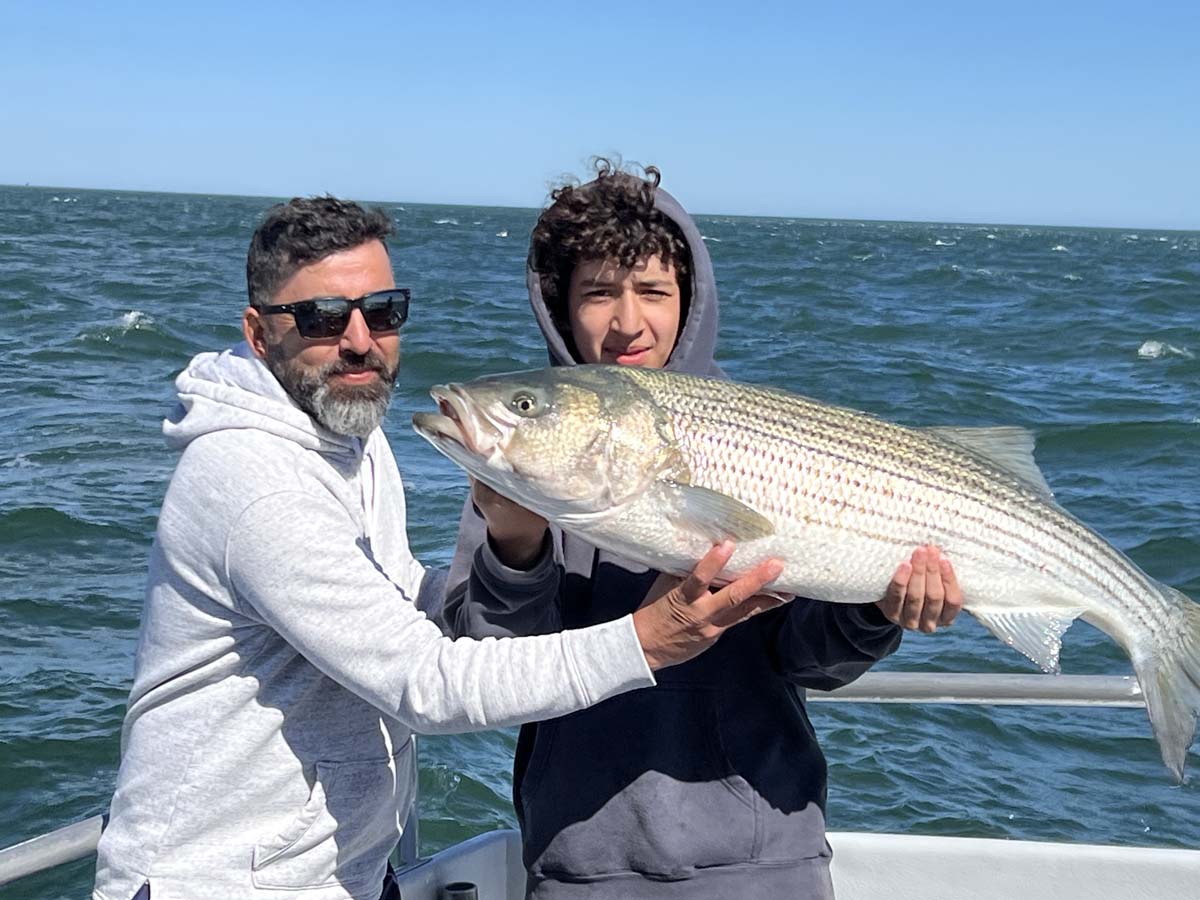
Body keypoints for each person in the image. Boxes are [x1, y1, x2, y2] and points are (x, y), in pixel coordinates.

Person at [92, 196, 785, 900]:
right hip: (217, 883)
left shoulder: (355, 442)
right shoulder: (253, 481)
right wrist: (647, 640)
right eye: (324, 318)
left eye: (383, 310)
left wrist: (509, 556)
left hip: (341, 871)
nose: (360, 340)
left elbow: (406, 608)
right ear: (260, 333)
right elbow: (426, 682)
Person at [442, 162, 964, 899]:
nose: (627, 323)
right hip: (578, 861)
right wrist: (515, 546)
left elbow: (810, 660)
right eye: (597, 293)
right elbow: (491, 671)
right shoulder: (522, 470)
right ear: (561, 306)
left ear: (688, 299)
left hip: (766, 856)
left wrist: (881, 610)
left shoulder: (761, 438)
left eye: (652, 291)